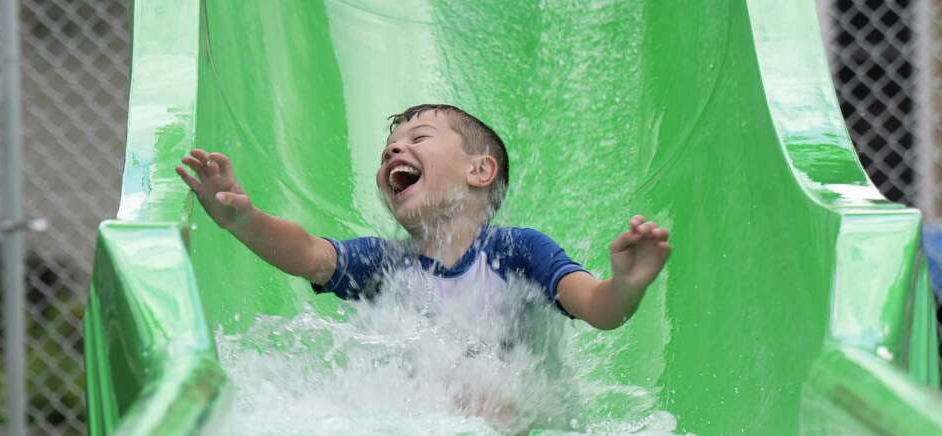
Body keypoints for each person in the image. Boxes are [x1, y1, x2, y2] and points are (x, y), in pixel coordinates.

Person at [175, 103, 670, 331]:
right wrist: (244, 221)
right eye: (389, 147)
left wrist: (626, 285)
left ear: (480, 171)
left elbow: (599, 310)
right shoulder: (384, 263)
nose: (395, 148)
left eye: (420, 139)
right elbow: (308, 255)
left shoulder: (521, 253)